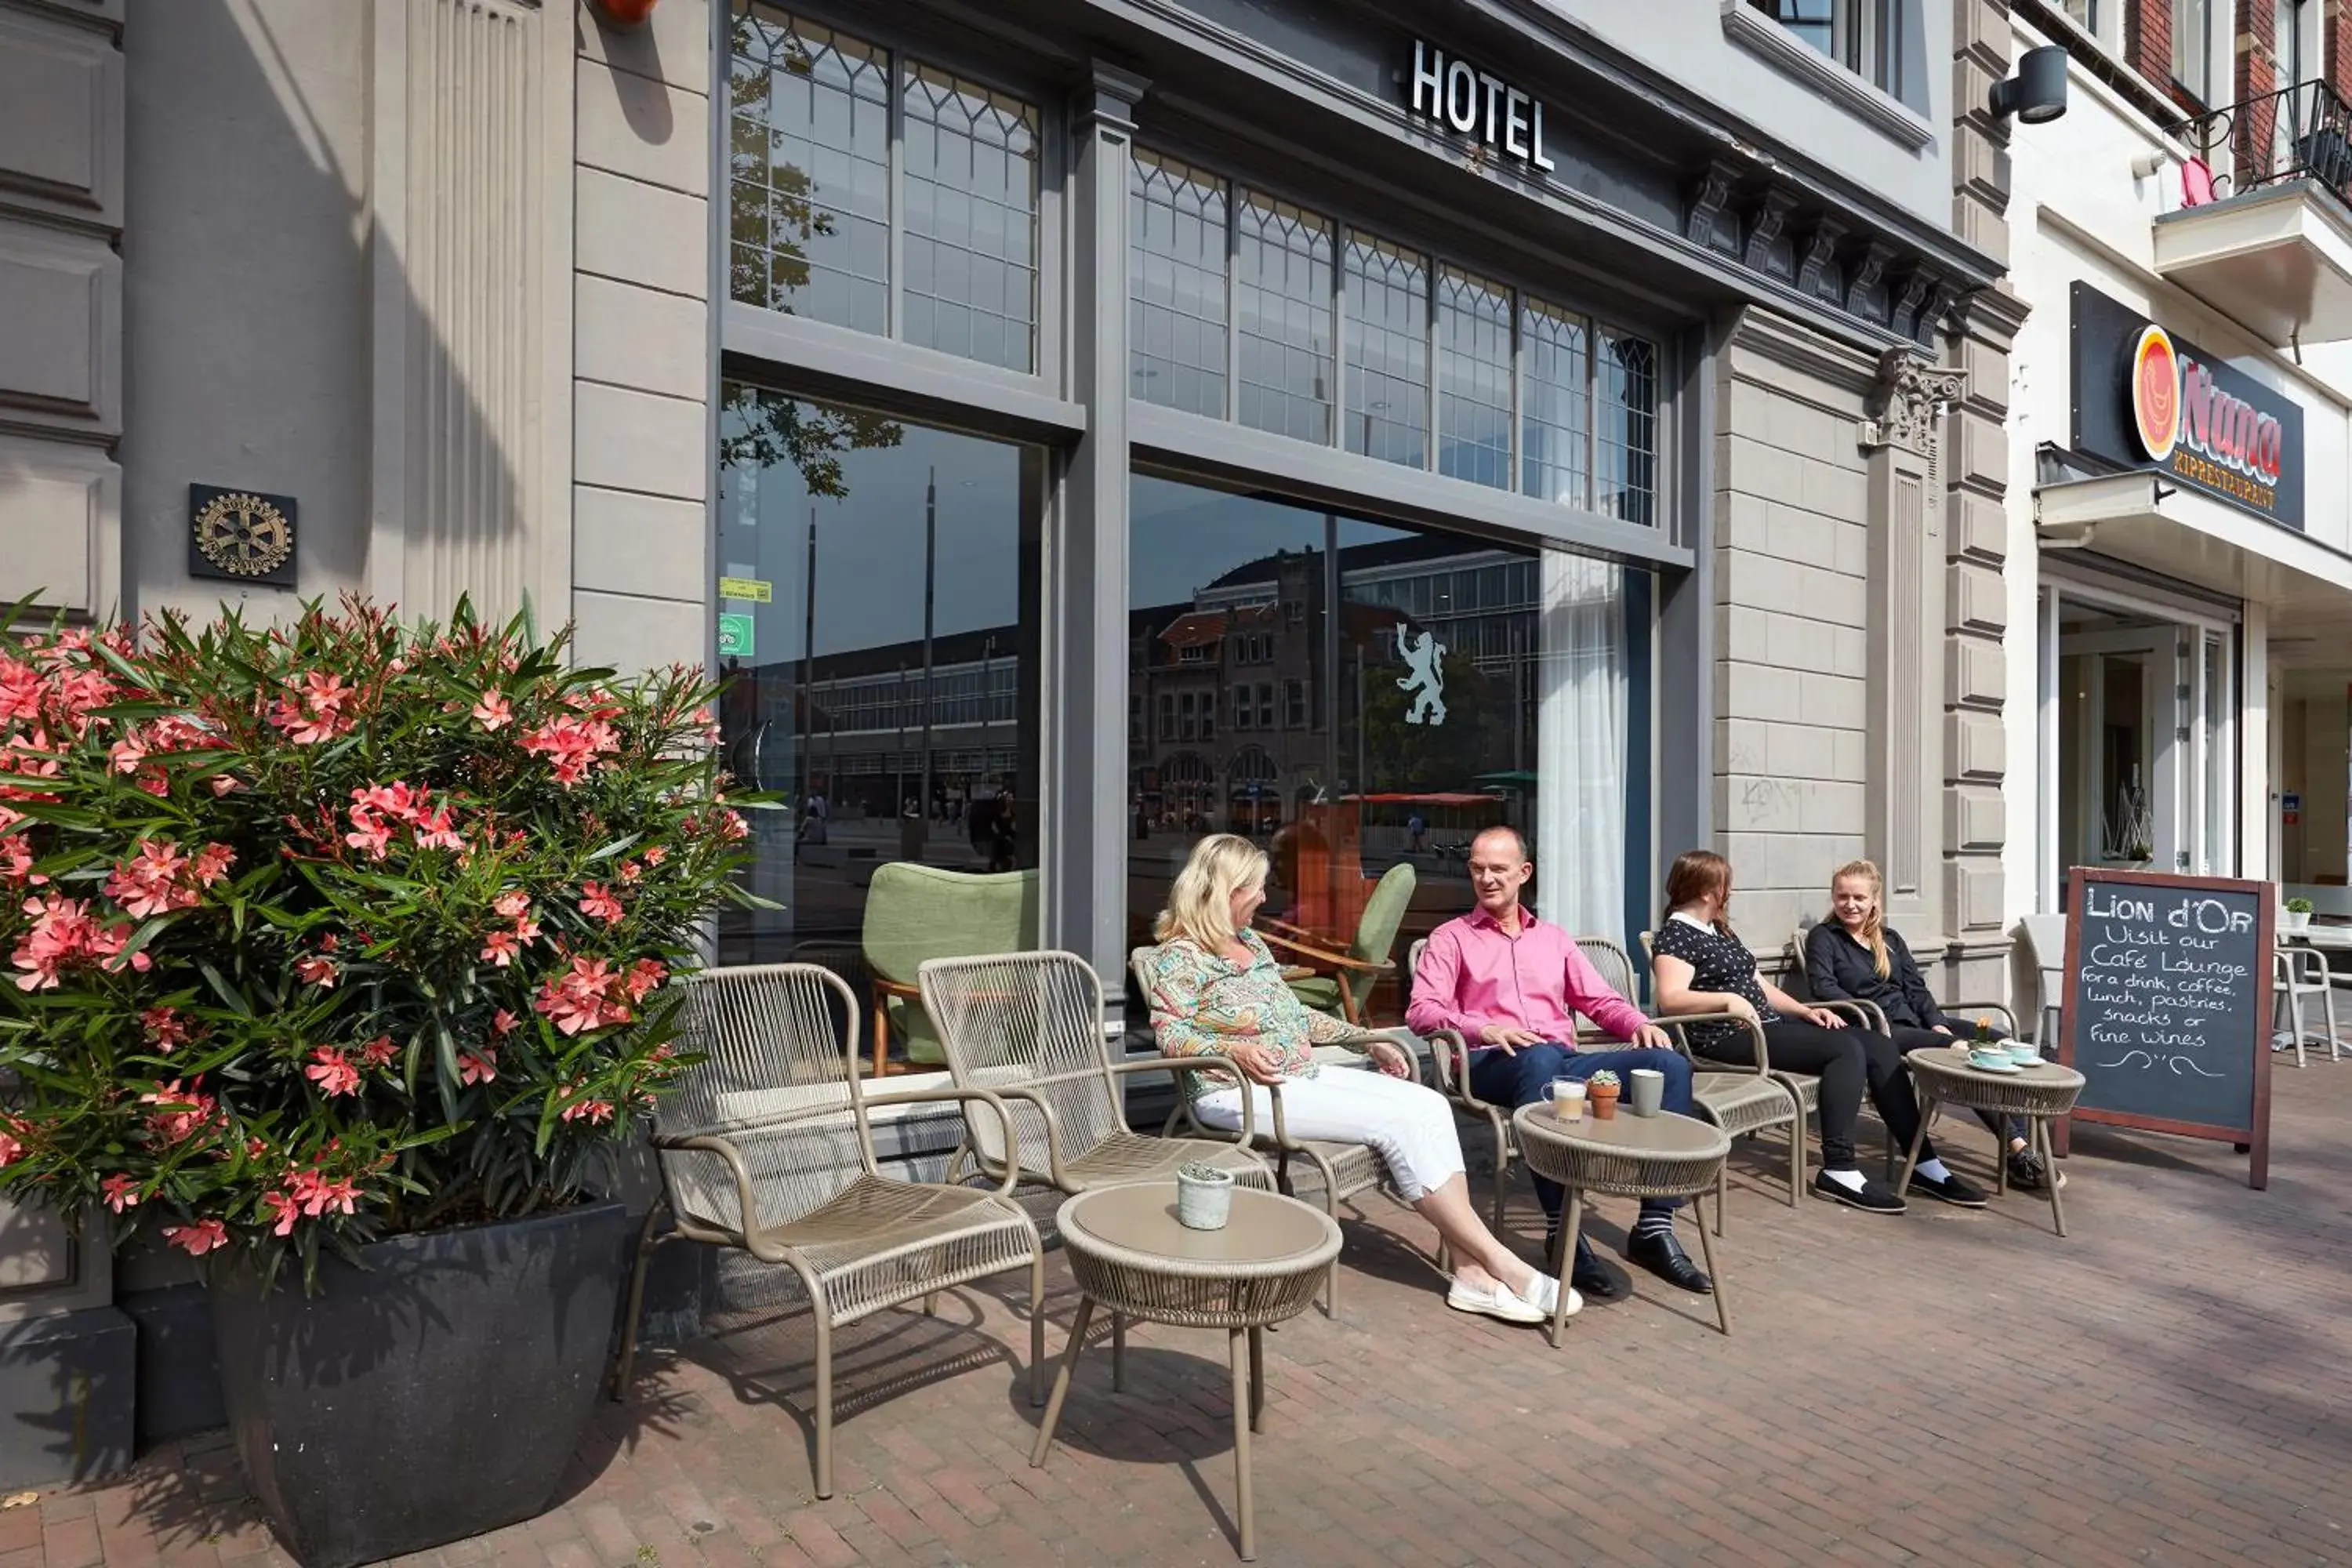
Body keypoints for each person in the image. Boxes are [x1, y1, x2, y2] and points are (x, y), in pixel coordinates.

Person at [1142, 833, 1571, 1326]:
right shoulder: (1180, 956)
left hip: (1297, 1074)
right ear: (1226, 891)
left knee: (1424, 1103)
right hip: (1232, 1091)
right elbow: (1170, 1037)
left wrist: (1364, 1040)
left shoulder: (1251, 944)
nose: (1265, 898)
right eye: (1255, 889)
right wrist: (1231, 1048)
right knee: (1393, 1122)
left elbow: (1296, 1018)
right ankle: (1498, 1263)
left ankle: (1473, 1272)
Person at [1407, 827, 1711, 1300]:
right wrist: (1482, 1028)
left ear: (1523, 874)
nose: (1487, 878)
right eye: (1477, 869)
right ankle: (1561, 1227)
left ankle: (1654, 1226)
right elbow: (1421, 1011)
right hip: (1492, 1065)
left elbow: (1598, 999)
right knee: (1541, 1058)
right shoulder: (1452, 939)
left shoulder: (1552, 939)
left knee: (1667, 1064)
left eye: (1498, 869)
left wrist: (1636, 1023)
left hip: (1559, 1065)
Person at [1649, 849, 1987, 1214]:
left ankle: (1923, 1163)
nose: (1730, 891)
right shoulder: (1677, 934)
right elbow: (1670, 999)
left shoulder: (1718, 930)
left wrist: (1806, 1011)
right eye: (1725, 884)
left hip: (1767, 1026)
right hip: (1726, 1037)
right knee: (1844, 1050)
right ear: (1707, 890)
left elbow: (1759, 985)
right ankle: (1839, 1169)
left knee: (1878, 1045)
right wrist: (1726, 1001)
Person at [1805, 861, 2057, 1192]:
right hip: (1875, 1029)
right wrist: (1875, 1016)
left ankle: (2020, 1147)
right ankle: (2021, 1151)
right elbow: (1824, 988)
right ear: (1833, 898)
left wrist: (1937, 1023)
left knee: (1997, 1043)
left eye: (1858, 897)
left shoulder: (1889, 939)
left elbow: (1916, 989)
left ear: (1875, 901)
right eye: (1842, 896)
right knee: (1967, 1055)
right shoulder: (1825, 938)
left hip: (1913, 1021)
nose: (1850, 904)